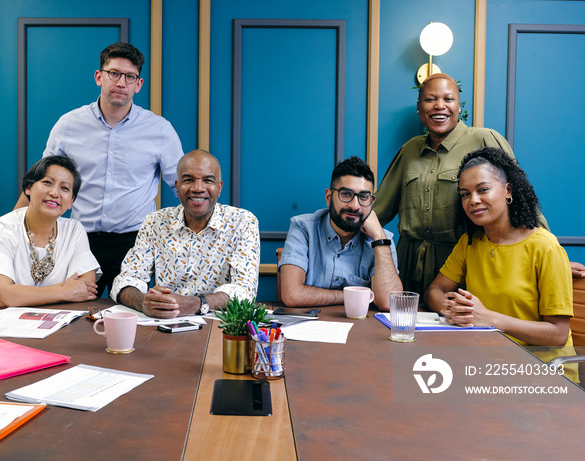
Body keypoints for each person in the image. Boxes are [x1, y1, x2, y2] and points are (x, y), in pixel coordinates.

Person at [372, 73, 585, 297]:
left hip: (462, 262)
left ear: (458, 105)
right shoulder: (410, 150)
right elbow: (378, 210)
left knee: (463, 324)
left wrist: (555, 257)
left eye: (448, 99)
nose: (439, 106)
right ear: (419, 107)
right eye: (430, 99)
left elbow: (521, 197)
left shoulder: (484, 139)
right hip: (409, 262)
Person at [14, 42, 184, 297]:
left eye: (130, 77)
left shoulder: (160, 130)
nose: (121, 82)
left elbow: (183, 188)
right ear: (99, 77)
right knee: (72, 311)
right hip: (79, 238)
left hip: (135, 241)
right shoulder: (68, 125)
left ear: (138, 84)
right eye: (114, 73)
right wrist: (5, 230)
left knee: (131, 313)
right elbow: (41, 183)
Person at [425, 147, 573, 347]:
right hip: (486, 356)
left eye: (483, 189)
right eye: (465, 194)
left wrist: (487, 318)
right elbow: (434, 291)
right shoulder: (470, 242)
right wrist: (459, 312)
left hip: (537, 367)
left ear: (508, 191)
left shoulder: (545, 247)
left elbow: (558, 335)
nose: (473, 200)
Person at [0, 156, 100, 330]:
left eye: (64, 188)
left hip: (45, 327)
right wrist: (65, 291)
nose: (55, 193)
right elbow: (1, 296)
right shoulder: (2, 229)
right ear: (28, 188)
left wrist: (18, 295)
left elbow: (85, 288)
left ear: (71, 201)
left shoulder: (74, 231)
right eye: (47, 183)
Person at [110, 150, 260, 318]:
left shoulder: (243, 222)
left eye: (208, 180)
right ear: (177, 186)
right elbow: (125, 280)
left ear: (219, 187)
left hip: (220, 327)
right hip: (163, 324)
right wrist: (144, 302)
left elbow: (244, 290)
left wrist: (194, 304)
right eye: (188, 180)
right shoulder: (155, 223)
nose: (197, 188)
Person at [279, 156, 402, 310]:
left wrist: (379, 237)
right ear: (329, 197)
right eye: (346, 194)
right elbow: (292, 295)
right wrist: (352, 296)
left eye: (364, 197)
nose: (355, 206)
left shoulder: (382, 239)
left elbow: (389, 302)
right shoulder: (303, 228)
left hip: (362, 329)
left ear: (372, 203)